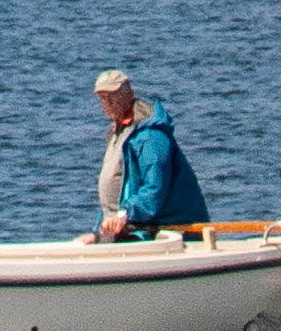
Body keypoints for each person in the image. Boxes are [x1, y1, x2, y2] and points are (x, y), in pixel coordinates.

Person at [90, 70, 211, 241]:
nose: (107, 102)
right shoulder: (116, 133)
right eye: (102, 98)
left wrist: (125, 214)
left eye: (113, 96)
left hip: (162, 230)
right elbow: (114, 196)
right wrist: (97, 232)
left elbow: (155, 188)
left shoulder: (151, 136)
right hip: (125, 226)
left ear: (129, 94)